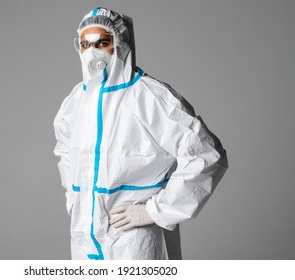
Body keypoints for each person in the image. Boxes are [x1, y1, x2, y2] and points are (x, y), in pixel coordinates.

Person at [53, 7, 228, 260]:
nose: (92, 52)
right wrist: (76, 200)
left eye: (102, 42)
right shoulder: (75, 101)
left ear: (120, 44)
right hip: (84, 240)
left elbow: (206, 155)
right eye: (85, 44)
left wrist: (153, 212)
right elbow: (65, 154)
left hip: (135, 242)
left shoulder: (149, 97)